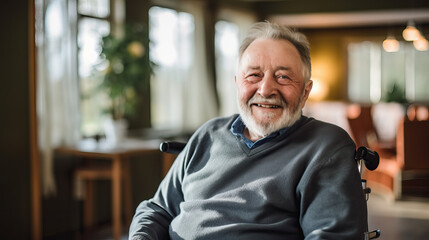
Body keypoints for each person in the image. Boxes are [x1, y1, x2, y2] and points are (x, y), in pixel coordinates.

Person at [129, 21, 367, 240]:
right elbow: (157, 209)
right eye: (254, 75)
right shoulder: (208, 134)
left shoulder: (326, 147)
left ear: (305, 92)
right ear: (237, 83)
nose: (265, 89)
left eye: (283, 77)